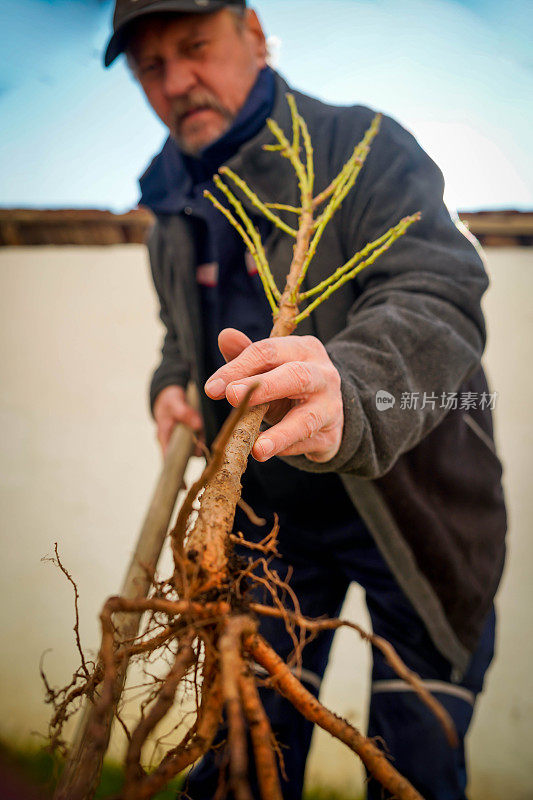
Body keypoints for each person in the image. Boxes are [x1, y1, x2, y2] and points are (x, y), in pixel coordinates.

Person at [104, 3, 507, 798]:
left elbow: (436, 291)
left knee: (411, 763)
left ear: (253, 33)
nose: (177, 82)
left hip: (419, 511)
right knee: (244, 759)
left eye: (194, 48)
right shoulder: (170, 213)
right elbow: (181, 338)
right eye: (151, 67)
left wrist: (349, 392)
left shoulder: (360, 149)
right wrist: (172, 385)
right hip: (270, 530)